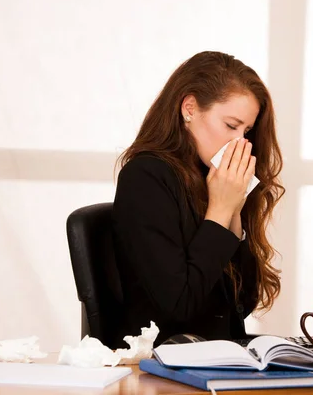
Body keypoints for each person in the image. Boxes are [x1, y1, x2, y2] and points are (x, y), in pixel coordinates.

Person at [111, 51, 285, 346]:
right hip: (164, 368)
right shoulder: (145, 177)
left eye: (247, 130)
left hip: (220, 359)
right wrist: (219, 210)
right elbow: (179, 307)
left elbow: (242, 304)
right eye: (231, 126)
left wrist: (233, 215)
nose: (240, 142)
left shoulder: (212, 178)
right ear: (189, 108)